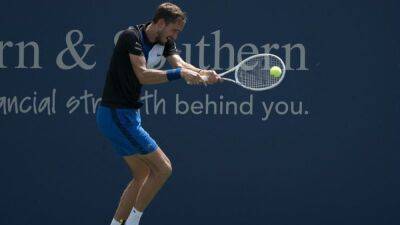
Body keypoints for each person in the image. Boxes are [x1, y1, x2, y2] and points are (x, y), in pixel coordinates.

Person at [96, 2, 220, 225]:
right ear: (161, 23)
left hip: (126, 116)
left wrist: (203, 73)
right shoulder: (130, 37)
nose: (176, 36)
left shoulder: (165, 41)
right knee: (163, 169)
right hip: (116, 115)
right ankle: (133, 222)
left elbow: (179, 62)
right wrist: (180, 74)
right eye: (175, 30)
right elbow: (143, 75)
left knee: (142, 174)